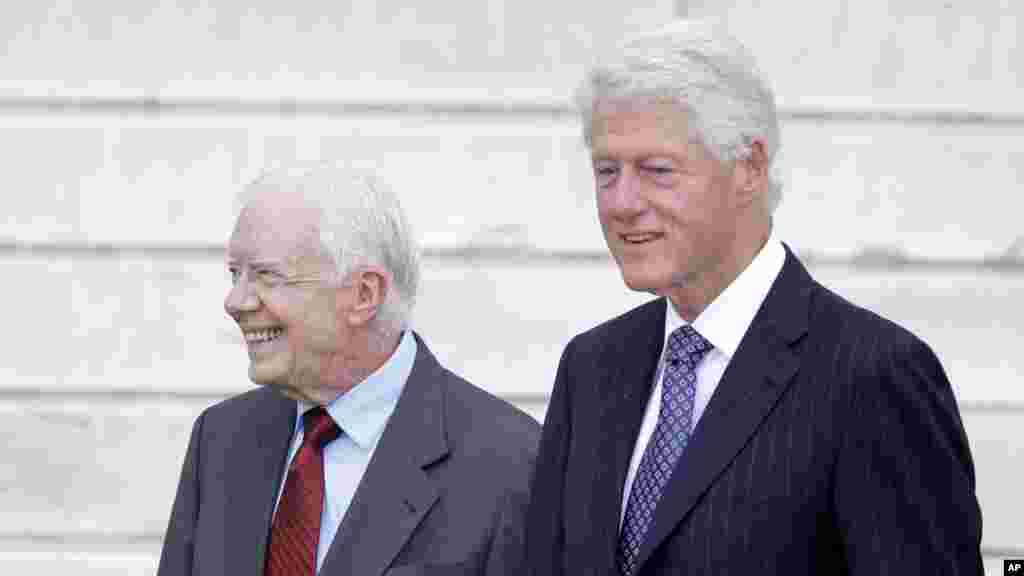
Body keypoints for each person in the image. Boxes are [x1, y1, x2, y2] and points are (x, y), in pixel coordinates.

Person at [524, 19, 982, 575]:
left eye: (657, 171)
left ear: (748, 168)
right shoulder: (592, 369)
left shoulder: (872, 376)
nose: (621, 203)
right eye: (606, 171)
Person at [157, 164, 540, 576]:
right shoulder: (221, 441)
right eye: (236, 274)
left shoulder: (509, 464)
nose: (235, 301)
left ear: (363, 295)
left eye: (266, 275)